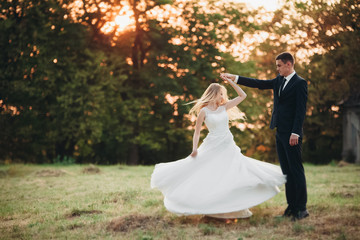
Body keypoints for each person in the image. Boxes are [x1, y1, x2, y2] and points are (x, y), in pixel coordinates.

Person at [150, 77, 286, 220]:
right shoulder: (204, 112)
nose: (223, 97)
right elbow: (197, 132)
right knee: (212, 174)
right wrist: (194, 149)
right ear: (213, 93)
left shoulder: (224, 107)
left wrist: (231, 82)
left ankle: (234, 207)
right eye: (221, 93)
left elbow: (243, 96)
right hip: (212, 145)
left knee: (232, 173)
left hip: (227, 144)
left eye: (223, 94)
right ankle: (211, 210)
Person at [221, 52, 308, 221]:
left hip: (292, 134)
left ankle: (302, 209)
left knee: (296, 170)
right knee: (286, 172)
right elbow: (259, 84)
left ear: (289, 64)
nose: (277, 69)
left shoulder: (300, 83)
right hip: (280, 131)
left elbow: (300, 110)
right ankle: (291, 207)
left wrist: (295, 132)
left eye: (279, 65)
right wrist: (235, 78)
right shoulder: (279, 80)